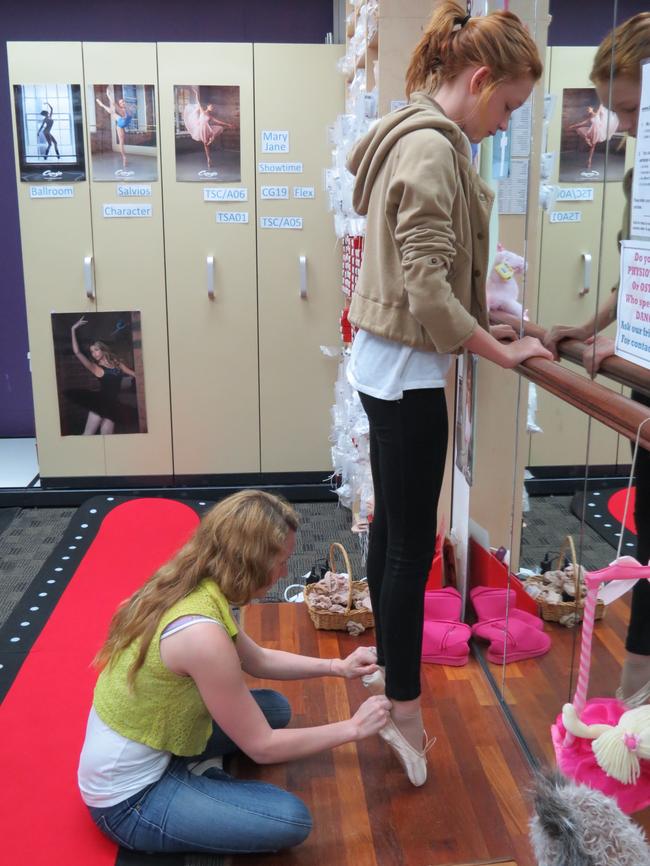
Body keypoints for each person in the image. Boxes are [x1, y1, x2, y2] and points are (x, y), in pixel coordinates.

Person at [344, 0, 553, 786]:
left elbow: (427, 278)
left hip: (387, 365)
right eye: (508, 106)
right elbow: (428, 292)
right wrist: (498, 353)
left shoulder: (418, 134)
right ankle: (403, 704)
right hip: (406, 373)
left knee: (393, 528)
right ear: (478, 79)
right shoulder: (433, 150)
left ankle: (389, 665)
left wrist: (491, 325)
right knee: (408, 545)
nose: (505, 124)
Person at [78, 490, 390, 855]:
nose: (286, 571)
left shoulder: (197, 586)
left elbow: (256, 659)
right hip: (127, 801)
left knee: (274, 709)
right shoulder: (201, 634)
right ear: (251, 563)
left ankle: (196, 779)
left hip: (150, 738)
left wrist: (338, 667)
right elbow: (262, 748)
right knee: (290, 819)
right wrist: (353, 728)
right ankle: (194, 783)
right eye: (281, 561)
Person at [544, 12, 650, 708]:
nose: (627, 126)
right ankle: (635, 700)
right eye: (617, 113)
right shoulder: (638, 177)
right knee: (644, 545)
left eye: (634, 109)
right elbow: (635, 271)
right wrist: (598, 329)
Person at [68, 316, 136, 435]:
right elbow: (77, 352)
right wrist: (73, 329)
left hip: (113, 405)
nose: (94, 354)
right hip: (100, 404)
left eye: (96, 350)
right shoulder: (95, 367)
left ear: (103, 349)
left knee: (107, 439)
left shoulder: (117, 363)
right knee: (87, 436)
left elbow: (133, 374)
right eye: (92, 352)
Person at [183, 86, 234, 169]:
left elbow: (218, 121)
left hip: (207, 129)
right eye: (211, 106)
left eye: (212, 107)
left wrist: (228, 124)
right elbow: (198, 102)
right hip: (200, 129)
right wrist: (196, 93)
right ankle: (209, 159)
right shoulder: (202, 112)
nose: (212, 108)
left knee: (218, 129)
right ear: (207, 106)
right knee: (205, 145)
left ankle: (211, 141)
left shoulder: (210, 116)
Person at [568, 103, 619, 172]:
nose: (588, 110)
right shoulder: (590, 118)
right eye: (587, 109)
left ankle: (589, 160)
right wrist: (573, 126)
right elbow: (582, 123)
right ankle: (587, 140)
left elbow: (599, 111)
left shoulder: (596, 114)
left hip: (598, 132)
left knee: (593, 146)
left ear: (592, 109)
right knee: (579, 129)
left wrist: (601, 105)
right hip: (592, 131)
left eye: (589, 108)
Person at [95, 86, 133, 169]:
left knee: (113, 112)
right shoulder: (121, 110)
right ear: (120, 105)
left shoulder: (128, 108)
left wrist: (127, 106)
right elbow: (113, 104)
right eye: (121, 103)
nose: (122, 103)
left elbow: (131, 110)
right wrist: (108, 95)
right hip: (120, 124)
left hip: (122, 120)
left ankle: (102, 104)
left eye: (123, 101)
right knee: (121, 142)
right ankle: (124, 157)